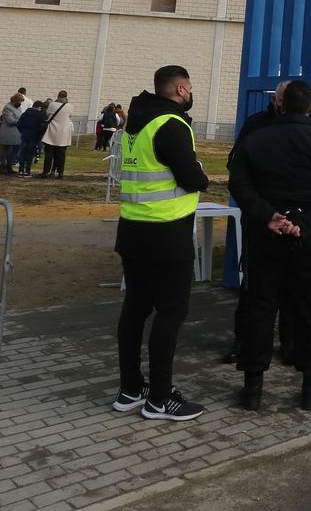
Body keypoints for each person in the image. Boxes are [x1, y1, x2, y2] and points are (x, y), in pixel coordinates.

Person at [230, 79, 311, 411]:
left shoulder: (256, 138)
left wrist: (269, 216)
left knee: (260, 308)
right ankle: (310, 387)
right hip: (308, 241)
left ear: (280, 104)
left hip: (265, 238)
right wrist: (303, 223)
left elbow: (239, 181)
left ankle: (252, 388)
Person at [112, 64, 212, 421]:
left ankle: (130, 388)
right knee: (171, 313)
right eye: (190, 88)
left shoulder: (135, 122)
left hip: (133, 229)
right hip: (167, 234)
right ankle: (159, 398)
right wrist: (202, 177)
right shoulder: (171, 124)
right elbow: (189, 176)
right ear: (181, 89)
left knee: (135, 309)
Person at [222, 81, 300, 368]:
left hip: (294, 220)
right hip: (260, 218)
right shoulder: (256, 125)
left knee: (293, 288)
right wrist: (261, 207)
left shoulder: (308, 127)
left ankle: (290, 346)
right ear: (274, 100)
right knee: (253, 289)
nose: (283, 104)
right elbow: (235, 167)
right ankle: (244, 344)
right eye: (281, 99)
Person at [40, 90, 74, 178]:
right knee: (61, 154)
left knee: (49, 153)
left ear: (58, 96)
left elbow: (48, 114)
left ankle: (45, 172)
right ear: (66, 97)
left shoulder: (52, 104)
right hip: (64, 132)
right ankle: (60, 173)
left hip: (52, 130)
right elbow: (70, 116)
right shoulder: (70, 106)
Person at [16, 100, 47, 178]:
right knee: (30, 154)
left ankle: (21, 170)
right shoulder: (39, 115)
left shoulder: (25, 114)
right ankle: (27, 171)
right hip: (34, 137)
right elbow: (41, 127)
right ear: (39, 107)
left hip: (24, 135)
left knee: (23, 153)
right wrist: (39, 135)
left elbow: (19, 124)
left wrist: (23, 131)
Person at [0, 93, 24, 175]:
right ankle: (2, 167)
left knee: (16, 150)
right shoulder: (8, 107)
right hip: (8, 132)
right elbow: (10, 120)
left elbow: (20, 117)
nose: (20, 103)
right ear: (15, 100)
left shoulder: (18, 108)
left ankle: (9, 166)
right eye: (19, 101)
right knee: (7, 150)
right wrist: (21, 121)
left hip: (17, 133)